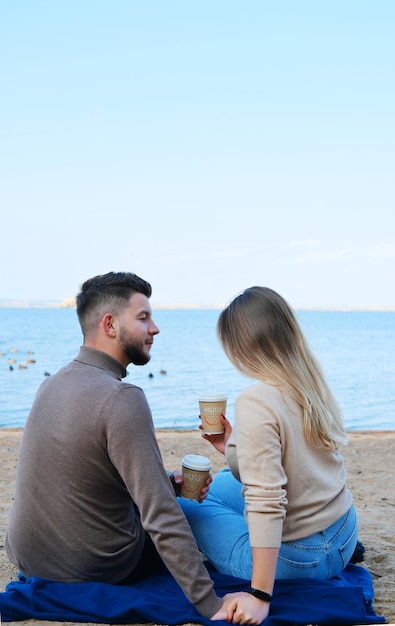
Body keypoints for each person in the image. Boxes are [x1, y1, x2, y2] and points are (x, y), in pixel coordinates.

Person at [5, 271, 245, 621]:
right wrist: (211, 604)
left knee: (182, 491)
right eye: (144, 317)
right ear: (110, 324)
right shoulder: (122, 398)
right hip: (98, 566)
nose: (155, 328)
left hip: (32, 558)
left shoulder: (52, 384)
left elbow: (85, 473)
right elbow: (161, 514)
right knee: (198, 511)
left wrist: (167, 482)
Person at [179, 286, 358, 625]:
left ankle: (270, 573)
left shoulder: (256, 400)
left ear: (241, 347)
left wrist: (260, 595)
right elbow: (289, 464)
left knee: (186, 505)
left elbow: (266, 499)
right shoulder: (310, 381)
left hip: (302, 559)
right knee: (220, 482)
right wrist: (231, 444)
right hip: (343, 535)